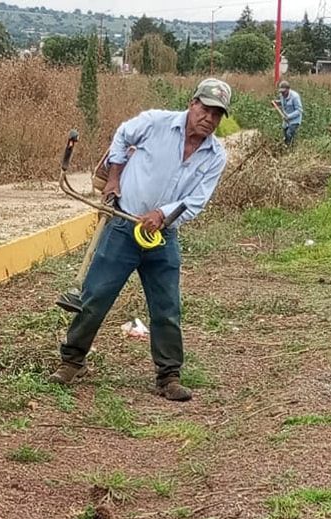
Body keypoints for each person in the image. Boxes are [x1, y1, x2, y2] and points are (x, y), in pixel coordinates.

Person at [50, 78, 231, 402]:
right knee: (94, 298)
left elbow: (196, 200)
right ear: (193, 103)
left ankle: (168, 376)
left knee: (167, 307)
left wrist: (162, 215)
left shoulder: (215, 155)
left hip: (162, 236)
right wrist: (115, 178)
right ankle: (72, 361)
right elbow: (122, 136)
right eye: (205, 108)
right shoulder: (155, 123)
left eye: (217, 114)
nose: (209, 118)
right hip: (123, 226)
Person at [276, 80, 303, 147]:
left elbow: (299, 110)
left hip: (294, 120)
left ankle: (291, 149)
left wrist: (289, 116)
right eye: (281, 92)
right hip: (285, 120)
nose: (282, 94)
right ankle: (287, 148)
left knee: (289, 134)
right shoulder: (282, 96)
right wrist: (277, 102)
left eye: (284, 92)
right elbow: (283, 103)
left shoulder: (295, 97)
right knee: (285, 135)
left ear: (288, 89)